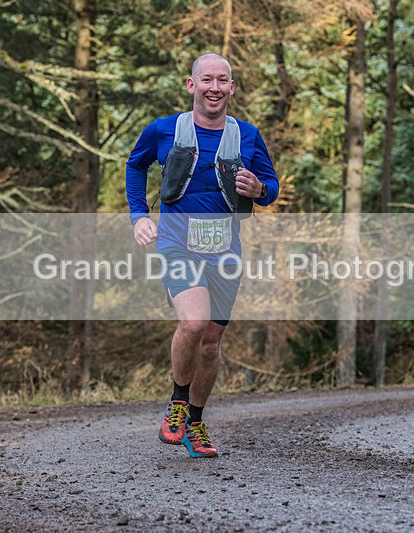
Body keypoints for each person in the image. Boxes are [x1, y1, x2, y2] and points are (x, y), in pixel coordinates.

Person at [126, 53, 279, 458]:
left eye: (222, 80)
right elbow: (135, 166)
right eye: (207, 79)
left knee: (211, 343)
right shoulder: (164, 129)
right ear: (192, 85)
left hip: (225, 251)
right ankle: (177, 402)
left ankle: (195, 422)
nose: (215, 87)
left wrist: (259, 189)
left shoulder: (248, 135)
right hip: (177, 243)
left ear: (232, 88)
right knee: (193, 323)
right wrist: (138, 216)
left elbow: (271, 186)